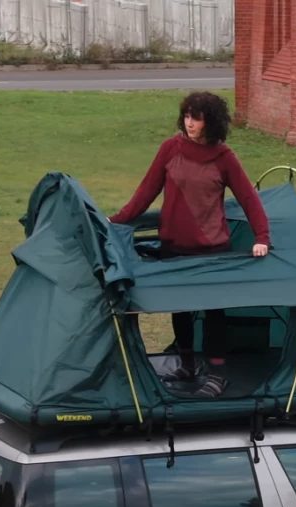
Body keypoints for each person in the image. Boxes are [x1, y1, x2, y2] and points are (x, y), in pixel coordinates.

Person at [110, 91, 271, 396]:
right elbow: (146, 192)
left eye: (196, 118)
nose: (189, 123)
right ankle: (187, 366)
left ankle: (217, 375)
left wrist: (262, 237)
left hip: (211, 251)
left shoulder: (224, 158)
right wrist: (116, 220)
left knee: (213, 314)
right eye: (186, 116)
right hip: (174, 247)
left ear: (211, 121)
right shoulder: (171, 148)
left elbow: (249, 199)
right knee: (180, 310)